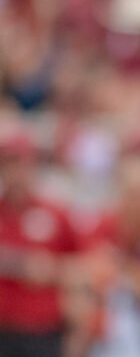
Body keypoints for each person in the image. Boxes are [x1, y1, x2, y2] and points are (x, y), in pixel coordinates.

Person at [0, 128, 81, 357]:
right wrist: (20, 264)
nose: (15, 172)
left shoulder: (55, 213)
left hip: (43, 333)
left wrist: (52, 269)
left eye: (21, 164)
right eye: (8, 164)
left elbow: (81, 264)